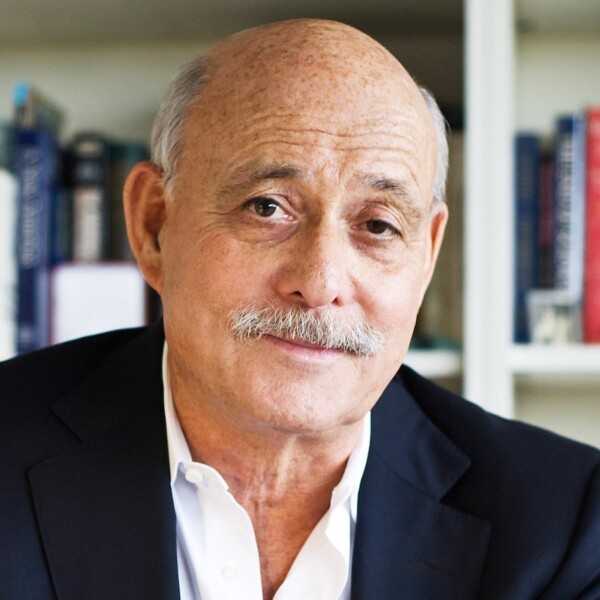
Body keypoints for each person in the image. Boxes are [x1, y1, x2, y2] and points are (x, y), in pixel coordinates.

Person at [1, 19, 599, 600]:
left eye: (378, 225)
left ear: (426, 257)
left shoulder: (565, 530)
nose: (320, 283)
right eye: (266, 208)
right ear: (154, 225)